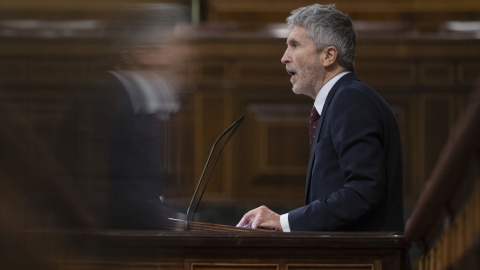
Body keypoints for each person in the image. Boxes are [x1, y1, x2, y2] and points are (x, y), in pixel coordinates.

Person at [237, 4, 405, 232]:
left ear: (328, 55)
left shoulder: (352, 100)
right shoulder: (339, 100)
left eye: (294, 45)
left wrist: (284, 222)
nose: (284, 58)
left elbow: (362, 193)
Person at [56, 4, 190, 229]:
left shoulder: (144, 101)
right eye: (178, 45)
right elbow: (107, 197)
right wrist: (180, 225)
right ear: (143, 52)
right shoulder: (103, 102)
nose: (187, 54)